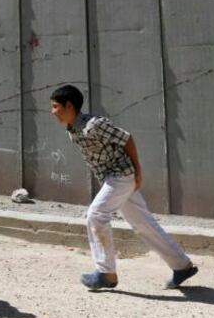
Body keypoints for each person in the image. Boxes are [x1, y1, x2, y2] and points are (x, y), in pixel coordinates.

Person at [50, 85, 199, 290]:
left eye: (55, 106)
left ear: (69, 105)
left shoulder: (95, 125)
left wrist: (138, 172)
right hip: (112, 178)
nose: (53, 112)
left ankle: (106, 273)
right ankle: (182, 266)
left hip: (122, 176)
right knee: (143, 223)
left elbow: (126, 138)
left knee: (96, 214)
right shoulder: (73, 130)